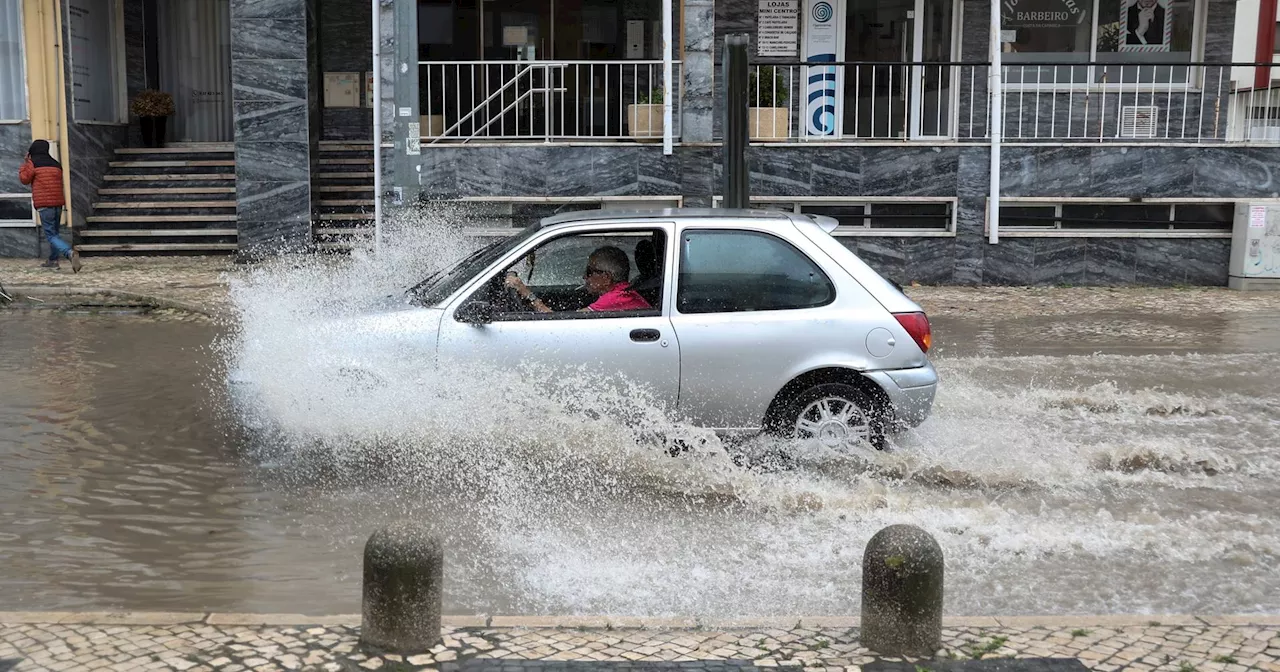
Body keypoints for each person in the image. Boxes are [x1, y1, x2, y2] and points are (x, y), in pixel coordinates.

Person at [505, 245, 651, 314]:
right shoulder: (622, 292)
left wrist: (526, 292)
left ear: (606, 278)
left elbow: (559, 323)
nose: (584, 277)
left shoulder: (615, 299)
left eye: (589, 272)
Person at [19, 139, 80, 272]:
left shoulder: (33, 164)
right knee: (55, 233)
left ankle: (69, 253)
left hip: (45, 204)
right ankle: (53, 260)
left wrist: (26, 163)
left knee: (51, 235)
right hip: (57, 203)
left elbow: (24, 179)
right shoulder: (56, 164)